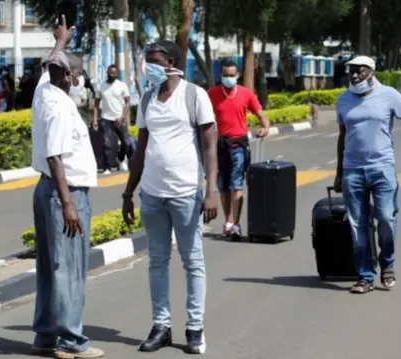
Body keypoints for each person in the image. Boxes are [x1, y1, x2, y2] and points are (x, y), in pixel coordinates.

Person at [121, 40, 218, 355]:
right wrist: (128, 191)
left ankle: (194, 329)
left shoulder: (194, 95)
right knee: (157, 262)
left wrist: (212, 189)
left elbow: (209, 146)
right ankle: (161, 326)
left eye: (154, 60)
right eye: (146, 60)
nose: (148, 65)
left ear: (172, 62)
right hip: (152, 194)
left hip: (186, 194)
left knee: (192, 262)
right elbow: (141, 149)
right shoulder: (147, 98)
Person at [30, 15, 104, 359]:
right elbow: (56, 157)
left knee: (51, 266)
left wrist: (61, 40)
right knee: (70, 268)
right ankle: (71, 341)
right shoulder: (58, 107)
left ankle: (46, 335)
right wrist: (69, 205)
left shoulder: (44, 90)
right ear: (67, 77)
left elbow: (50, 66)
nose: (80, 79)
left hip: (47, 191)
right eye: (77, 73)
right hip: (65, 193)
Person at [334, 56, 401, 294]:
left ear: (371, 72)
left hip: (382, 168)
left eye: (359, 72)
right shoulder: (343, 100)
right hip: (353, 171)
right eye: (351, 72)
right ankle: (365, 276)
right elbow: (343, 136)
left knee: (385, 218)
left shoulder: (389, 95)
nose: (354, 76)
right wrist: (339, 172)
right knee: (357, 225)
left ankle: (388, 264)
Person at [207, 61, 270, 240]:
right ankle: (227, 221)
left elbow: (260, 115)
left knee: (236, 184)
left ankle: (236, 224)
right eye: (225, 75)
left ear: (238, 75)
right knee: (223, 186)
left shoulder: (246, 94)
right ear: (221, 75)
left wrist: (265, 127)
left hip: (239, 146)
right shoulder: (212, 94)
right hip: (220, 146)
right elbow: (202, 118)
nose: (228, 78)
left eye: (232, 75)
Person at [93, 64, 132, 174]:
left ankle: (121, 159)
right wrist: (95, 119)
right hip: (106, 118)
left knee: (126, 142)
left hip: (120, 118)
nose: (112, 75)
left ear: (117, 74)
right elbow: (96, 105)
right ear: (107, 73)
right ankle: (107, 167)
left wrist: (122, 117)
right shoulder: (100, 86)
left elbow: (128, 102)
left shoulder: (122, 85)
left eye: (114, 73)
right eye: (110, 73)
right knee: (107, 144)